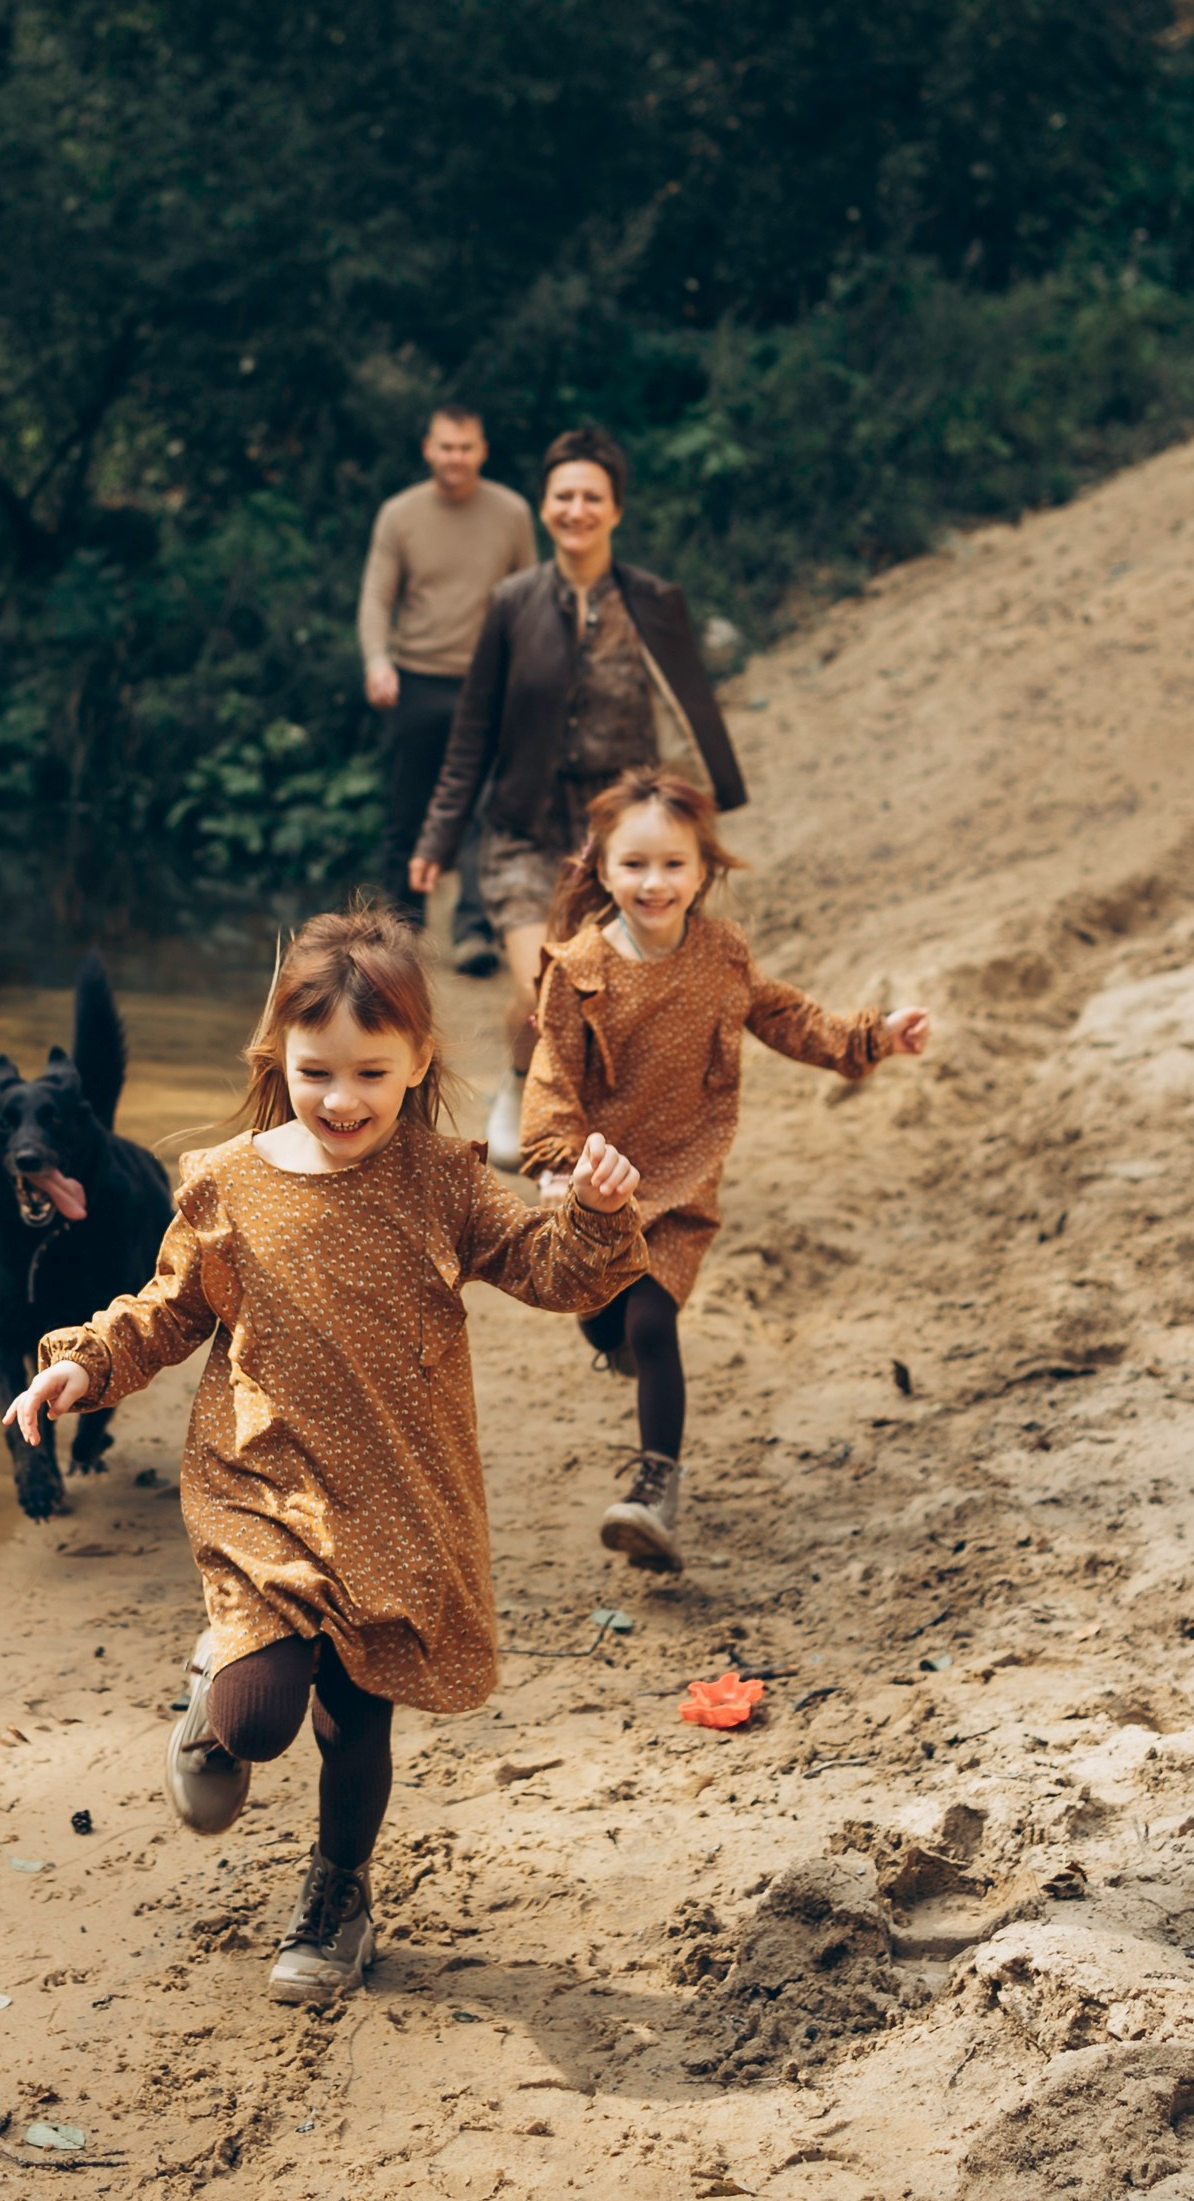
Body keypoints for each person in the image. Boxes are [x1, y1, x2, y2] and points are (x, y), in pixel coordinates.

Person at [5, 903, 645, 2009]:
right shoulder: (226, 1181)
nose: (341, 1099)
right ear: (278, 1060)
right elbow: (164, 1311)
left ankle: (337, 1892)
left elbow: (549, 1272)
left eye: (369, 1072)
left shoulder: (441, 1181)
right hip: (261, 1485)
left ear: (416, 1064)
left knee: (357, 1717)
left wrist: (590, 1215)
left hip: (399, 1494)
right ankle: (220, 1692)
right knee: (262, 1721)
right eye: (316, 1072)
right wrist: (84, 1366)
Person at [522, 765, 930, 1574]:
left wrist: (876, 1036)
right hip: (597, 1183)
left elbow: (789, 1019)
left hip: (681, 1180)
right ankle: (612, 1341)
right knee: (605, 1319)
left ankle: (653, 1491)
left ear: (704, 869)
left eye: (674, 864)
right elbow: (551, 1078)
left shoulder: (721, 955)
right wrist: (562, 1163)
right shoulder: (577, 970)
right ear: (601, 869)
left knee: (649, 1318)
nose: (654, 881)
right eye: (634, 864)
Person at [409, 422, 742, 1169]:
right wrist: (437, 839)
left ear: (616, 510)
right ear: (544, 506)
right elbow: (472, 732)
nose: (577, 509)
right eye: (564, 496)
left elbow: (693, 715)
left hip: (619, 840)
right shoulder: (513, 604)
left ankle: (591, 1133)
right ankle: (520, 1079)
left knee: (609, 997)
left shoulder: (654, 603)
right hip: (524, 831)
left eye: (593, 496)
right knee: (545, 985)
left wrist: (704, 819)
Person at [356, 404, 536, 972]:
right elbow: (377, 597)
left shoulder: (511, 512)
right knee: (409, 809)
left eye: (466, 447)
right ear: (428, 448)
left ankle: (474, 933)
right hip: (416, 679)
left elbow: (528, 595)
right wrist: (377, 659)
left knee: (484, 808)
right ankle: (403, 933)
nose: (455, 458)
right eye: (445, 447)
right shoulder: (399, 514)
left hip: (488, 683)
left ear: (482, 450)